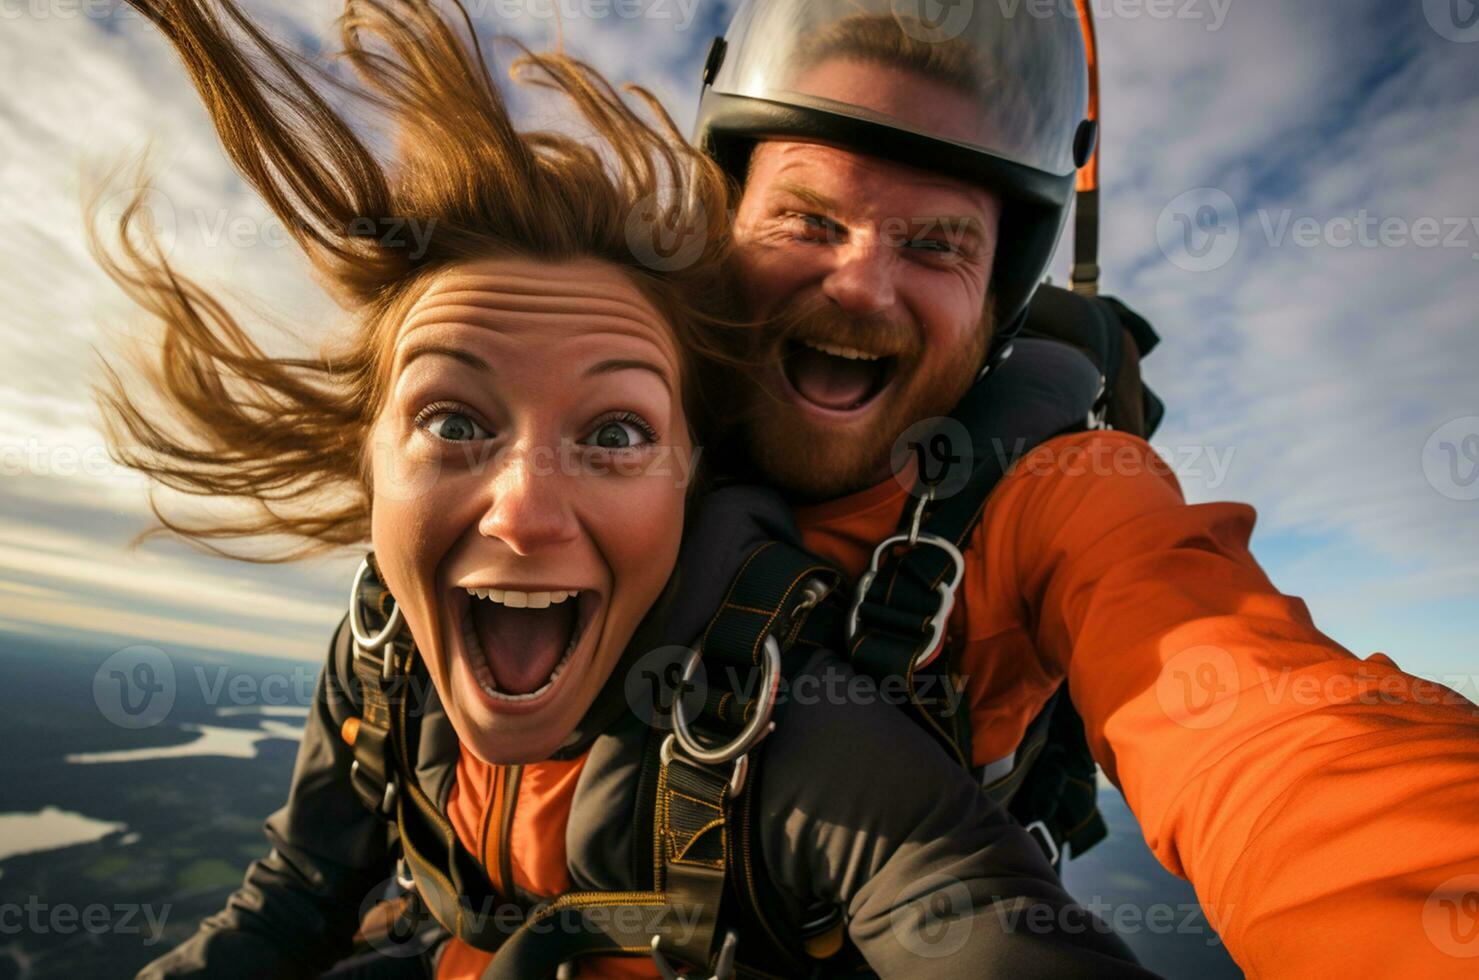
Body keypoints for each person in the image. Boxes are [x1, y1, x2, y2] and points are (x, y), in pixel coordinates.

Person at [100, 1, 1161, 977]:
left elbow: (980, 885)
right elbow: (292, 895)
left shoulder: (784, 715)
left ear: (688, 465)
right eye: (453, 420)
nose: (523, 512)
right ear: (365, 453)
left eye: (615, 433)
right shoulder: (383, 648)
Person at [690, 2, 1479, 977]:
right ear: (722, 234)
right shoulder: (595, 413)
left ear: (996, 301)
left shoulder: (1061, 487)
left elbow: (1265, 719)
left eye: (936, 246)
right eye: (809, 218)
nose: (862, 286)